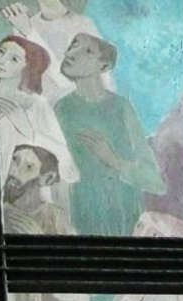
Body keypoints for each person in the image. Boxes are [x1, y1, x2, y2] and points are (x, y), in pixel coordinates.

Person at [54, 35, 166, 235]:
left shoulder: (121, 108)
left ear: (104, 66)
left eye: (88, 51)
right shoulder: (62, 109)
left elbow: (155, 181)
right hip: (82, 219)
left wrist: (113, 160)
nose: (71, 53)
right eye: (73, 45)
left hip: (126, 219)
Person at [0, 35, 78, 198]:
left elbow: (69, 169)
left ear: (27, 66)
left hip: (10, 192)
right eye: (1, 52)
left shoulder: (35, 105)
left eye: (14, 59)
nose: (2, 61)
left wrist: (27, 129)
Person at [3, 144, 74, 234]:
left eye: (29, 167)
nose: (13, 172)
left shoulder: (55, 217)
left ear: (48, 178)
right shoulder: (0, 210)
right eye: (14, 160)